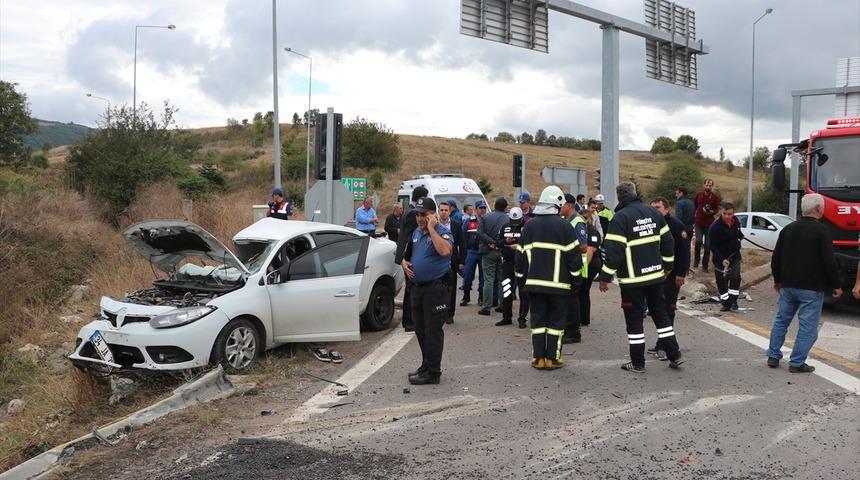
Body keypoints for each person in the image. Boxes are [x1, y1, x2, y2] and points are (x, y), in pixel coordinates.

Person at [597, 181, 683, 373]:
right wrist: (667, 266)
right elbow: (668, 242)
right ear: (635, 193)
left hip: (632, 281)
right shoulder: (653, 213)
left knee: (635, 320)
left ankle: (637, 362)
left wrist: (605, 276)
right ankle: (674, 354)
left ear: (619, 197)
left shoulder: (620, 218)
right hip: (655, 277)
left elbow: (614, 251)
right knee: (661, 316)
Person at [767, 194, 842, 373]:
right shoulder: (822, 231)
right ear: (817, 209)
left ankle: (773, 355)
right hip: (811, 287)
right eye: (822, 207)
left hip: (788, 285)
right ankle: (797, 362)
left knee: (781, 321)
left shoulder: (788, 229)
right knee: (808, 327)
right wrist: (836, 284)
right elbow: (828, 260)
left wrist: (777, 280)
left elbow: (776, 257)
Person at [517, 185, 582, 370]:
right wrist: (576, 282)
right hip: (559, 286)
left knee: (537, 321)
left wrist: (521, 281)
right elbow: (574, 259)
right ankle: (552, 358)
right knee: (556, 322)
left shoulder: (529, 227)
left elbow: (520, 259)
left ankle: (538, 358)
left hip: (534, 285)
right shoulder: (566, 227)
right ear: (558, 203)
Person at [400, 197, 454, 385]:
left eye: (424, 215)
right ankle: (426, 365)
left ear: (433, 215)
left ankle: (433, 372)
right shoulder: (416, 232)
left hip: (436, 288)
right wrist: (403, 262)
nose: (420, 218)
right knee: (421, 330)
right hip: (418, 289)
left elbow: (445, 251)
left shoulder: (442, 232)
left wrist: (431, 229)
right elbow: (408, 253)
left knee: (432, 331)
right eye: (417, 215)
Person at [647, 197, 690, 361]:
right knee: (658, 309)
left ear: (667, 209)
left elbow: (684, 252)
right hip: (656, 275)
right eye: (652, 207)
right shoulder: (652, 224)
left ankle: (665, 345)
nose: (655, 210)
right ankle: (662, 343)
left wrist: (681, 273)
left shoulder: (676, 226)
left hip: (672, 276)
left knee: (668, 311)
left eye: (658, 207)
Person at [395, 186, 430, 332]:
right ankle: (410, 322)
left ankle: (408, 321)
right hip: (409, 257)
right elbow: (411, 237)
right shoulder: (412, 214)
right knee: (411, 290)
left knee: (411, 289)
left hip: (405, 255)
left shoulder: (408, 209)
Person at [561, 194, 587, 344]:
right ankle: (569, 329)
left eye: (562, 205)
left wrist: (567, 248)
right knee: (568, 300)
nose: (560, 208)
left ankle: (574, 333)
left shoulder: (577, 222)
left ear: (569, 206)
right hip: (568, 266)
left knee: (572, 301)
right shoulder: (567, 221)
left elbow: (583, 247)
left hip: (575, 267)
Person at [708, 202, 744, 312]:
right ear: (721, 212)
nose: (728, 216)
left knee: (735, 278)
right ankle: (725, 302)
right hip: (720, 258)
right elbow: (712, 246)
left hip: (734, 256)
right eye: (725, 213)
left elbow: (737, 234)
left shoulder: (736, 222)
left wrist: (740, 236)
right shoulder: (715, 227)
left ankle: (733, 301)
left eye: (730, 214)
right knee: (721, 282)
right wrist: (722, 259)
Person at [496, 207, 528, 327]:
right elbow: (497, 242)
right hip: (507, 263)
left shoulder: (527, 228)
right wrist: (506, 240)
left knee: (523, 292)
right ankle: (506, 317)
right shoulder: (505, 227)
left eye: (517, 222)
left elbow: (531, 244)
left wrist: (518, 245)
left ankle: (522, 319)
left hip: (522, 264)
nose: (515, 224)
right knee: (507, 291)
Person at [477, 196, 509, 316]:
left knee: (488, 280)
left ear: (494, 205)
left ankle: (486, 307)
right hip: (502, 251)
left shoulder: (485, 217)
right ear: (505, 207)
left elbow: (479, 233)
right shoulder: (507, 218)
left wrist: (491, 242)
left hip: (488, 251)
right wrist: (498, 243)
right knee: (502, 280)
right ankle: (502, 305)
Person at [437, 201, 465, 324]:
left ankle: (450, 314)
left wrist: (462, 261)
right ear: (438, 211)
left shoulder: (456, 225)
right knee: (437, 289)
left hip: (451, 262)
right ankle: (439, 313)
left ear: (449, 211)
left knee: (451, 289)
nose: (443, 212)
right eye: (441, 210)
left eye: (445, 210)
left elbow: (462, 244)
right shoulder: (433, 225)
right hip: (436, 261)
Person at [577, 206, 602, 327]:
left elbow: (590, 250)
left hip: (590, 264)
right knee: (583, 291)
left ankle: (584, 318)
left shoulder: (592, 231)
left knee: (583, 291)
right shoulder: (585, 230)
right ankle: (582, 317)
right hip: (587, 264)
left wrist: (584, 267)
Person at [460, 201, 486, 306]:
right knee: (467, 275)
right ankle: (466, 296)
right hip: (471, 251)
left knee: (483, 277)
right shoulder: (469, 221)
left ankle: (481, 297)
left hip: (483, 252)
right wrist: (463, 252)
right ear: (476, 209)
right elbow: (463, 237)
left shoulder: (487, 220)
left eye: (484, 208)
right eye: (480, 208)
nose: (483, 210)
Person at [693, 179, 720, 272]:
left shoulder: (715, 197)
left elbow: (716, 209)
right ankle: (696, 260)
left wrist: (711, 211)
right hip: (699, 222)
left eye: (710, 186)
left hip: (709, 224)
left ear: (712, 186)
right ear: (704, 185)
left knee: (708, 246)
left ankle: (705, 265)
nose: (708, 187)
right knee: (698, 241)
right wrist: (695, 216)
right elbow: (695, 206)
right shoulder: (699, 195)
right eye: (707, 185)